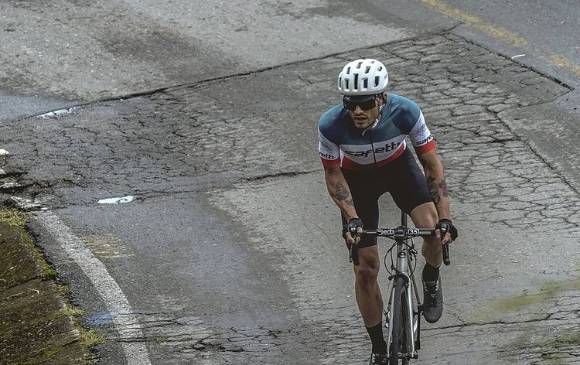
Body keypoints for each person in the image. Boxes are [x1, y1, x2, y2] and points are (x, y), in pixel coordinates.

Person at [317, 59, 458, 364]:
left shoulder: (406, 112)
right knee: (366, 268)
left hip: (399, 169)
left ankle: (430, 277)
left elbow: (431, 165)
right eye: (350, 103)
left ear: (381, 99)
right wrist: (352, 218)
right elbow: (333, 176)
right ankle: (379, 347)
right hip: (357, 179)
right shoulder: (330, 124)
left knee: (434, 230)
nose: (357, 111)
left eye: (366, 103)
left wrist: (445, 217)